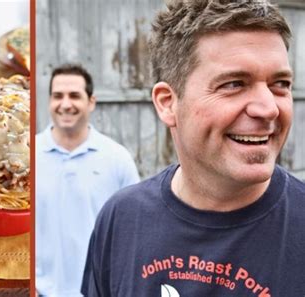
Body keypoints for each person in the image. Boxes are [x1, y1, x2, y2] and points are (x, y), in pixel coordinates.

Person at [82, 0, 305, 296]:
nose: (269, 109)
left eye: (280, 84)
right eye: (234, 83)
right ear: (167, 103)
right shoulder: (121, 219)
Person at [36, 64, 140, 296]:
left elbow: (133, 234)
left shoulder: (116, 158)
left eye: (74, 96)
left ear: (91, 102)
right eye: (57, 96)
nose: (65, 104)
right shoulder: (27, 155)